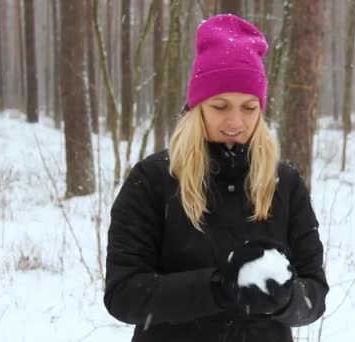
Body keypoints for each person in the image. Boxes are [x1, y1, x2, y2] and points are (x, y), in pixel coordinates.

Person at [104, 14, 328, 342]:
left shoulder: (285, 184)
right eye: (221, 106)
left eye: (249, 107)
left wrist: (286, 298)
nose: (235, 121)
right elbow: (123, 294)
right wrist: (217, 287)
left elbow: (315, 296)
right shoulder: (152, 181)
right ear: (198, 106)